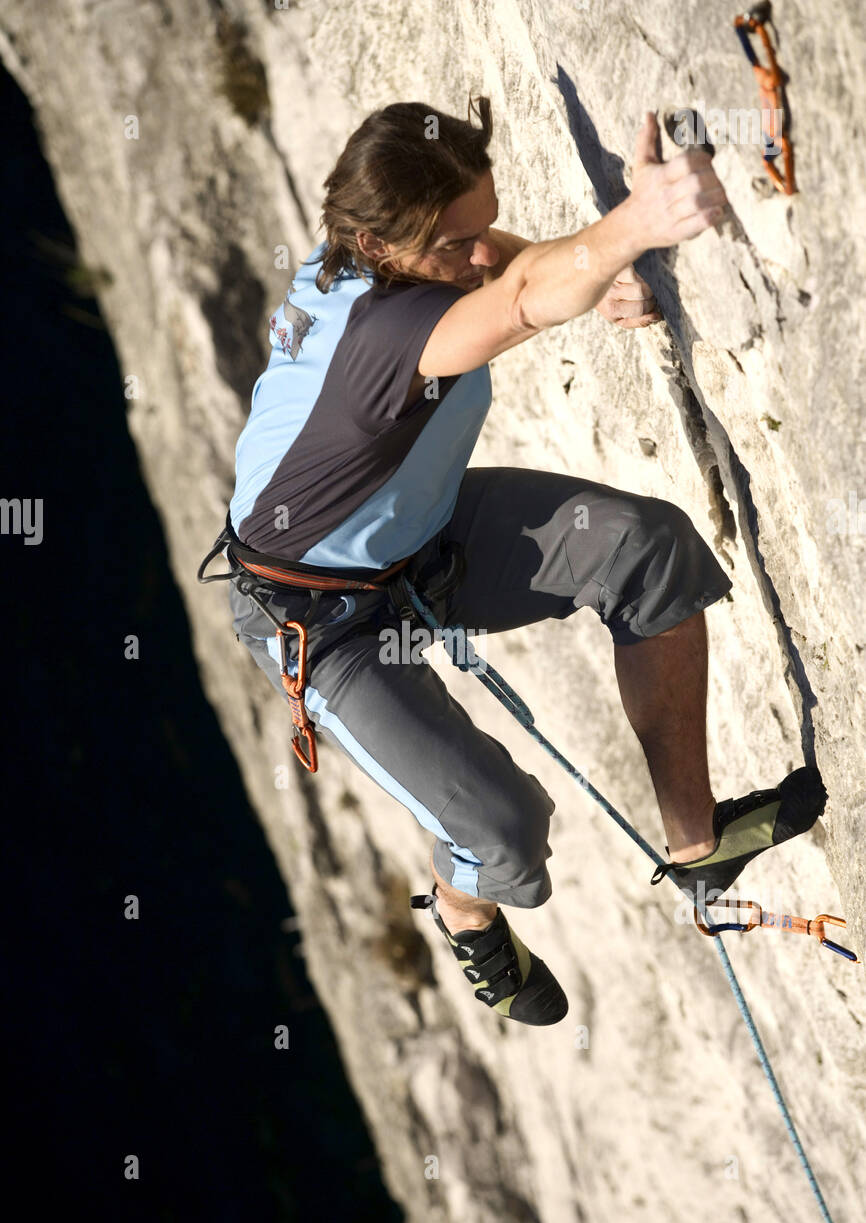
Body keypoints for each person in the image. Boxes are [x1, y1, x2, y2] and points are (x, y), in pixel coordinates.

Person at [223, 97, 826, 1027]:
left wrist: (603, 264)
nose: (476, 250)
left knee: (645, 548)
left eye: (478, 222)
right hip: (317, 623)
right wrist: (637, 224)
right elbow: (509, 300)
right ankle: (464, 913)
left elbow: (506, 266)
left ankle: (697, 838)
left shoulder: (382, 253)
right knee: (507, 837)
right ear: (378, 245)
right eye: (451, 244)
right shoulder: (381, 340)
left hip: (415, 544)